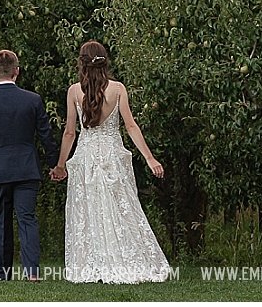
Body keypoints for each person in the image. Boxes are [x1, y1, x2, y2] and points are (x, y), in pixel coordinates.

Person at [50, 40, 171, 283]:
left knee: (90, 210)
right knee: (122, 209)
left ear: (81, 63)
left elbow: (70, 132)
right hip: (112, 155)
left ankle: (93, 264)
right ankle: (124, 260)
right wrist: (149, 157)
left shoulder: (74, 91)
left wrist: (61, 164)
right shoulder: (117, 89)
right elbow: (131, 126)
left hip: (85, 156)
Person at [0, 49, 60, 281]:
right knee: (27, 218)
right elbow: (45, 136)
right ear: (17, 71)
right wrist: (54, 164)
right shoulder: (33, 100)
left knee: (2, 221)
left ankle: (4, 273)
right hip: (27, 169)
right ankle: (32, 272)